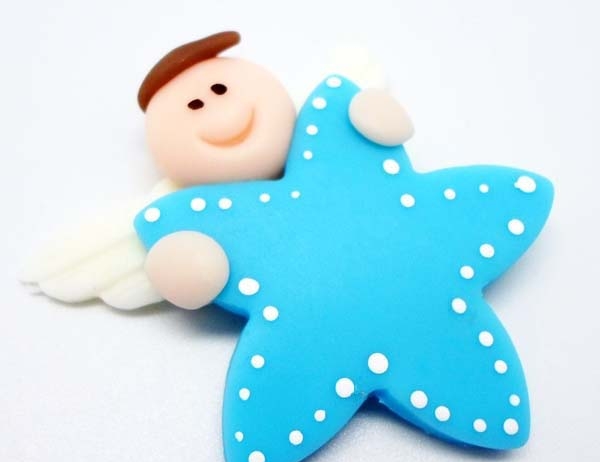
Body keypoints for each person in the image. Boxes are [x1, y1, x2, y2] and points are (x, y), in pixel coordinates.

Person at [22, 31, 414, 310]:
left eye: (220, 90)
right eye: (194, 105)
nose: (220, 112)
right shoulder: (189, 210)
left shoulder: (320, 127)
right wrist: (183, 266)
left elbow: (357, 113)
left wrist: (368, 117)